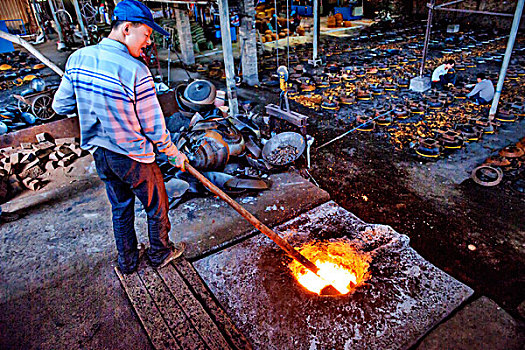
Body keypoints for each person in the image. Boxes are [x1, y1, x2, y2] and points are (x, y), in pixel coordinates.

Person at [52, 0, 188, 274]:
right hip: (133, 157)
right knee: (156, 205)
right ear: (127, 29)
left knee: (121, 207)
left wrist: (91, 100)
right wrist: (175, 154)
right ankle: (160, 253)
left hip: (101, 154)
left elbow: (60, 106)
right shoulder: (135, 70)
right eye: (147, 35)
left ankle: (127, 261)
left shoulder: (78, 58)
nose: (148, 43)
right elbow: (154, 128)